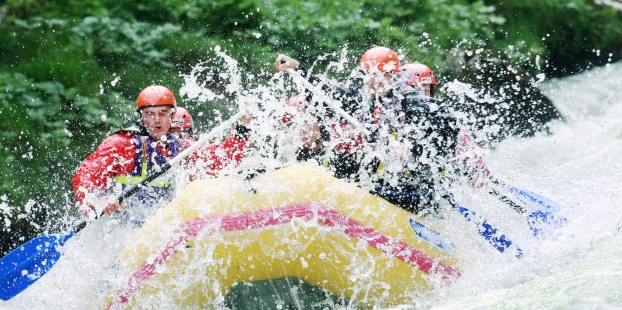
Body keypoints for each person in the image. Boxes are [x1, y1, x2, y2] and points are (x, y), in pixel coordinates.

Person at [274, 47, 461, 215]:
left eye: (379, 74)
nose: (373, 80)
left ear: (392, 75)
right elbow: (330, 97)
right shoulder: (366, 100)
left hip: (419, 188)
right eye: (368, 74)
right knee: (346, 174)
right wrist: (299, 71)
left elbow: (446, 120)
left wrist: (413, 152)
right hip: (390, 180)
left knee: (367, 188)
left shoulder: (410, 101)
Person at [72, 86, 252, 218]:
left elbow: (222, 159)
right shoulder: (122, 144)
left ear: (172, 115)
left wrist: (242, 127)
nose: (156, 120)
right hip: (122, 226)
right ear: (141, 116)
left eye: (163, 113)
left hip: (160, 226)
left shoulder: (181, 146)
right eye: (150, 114)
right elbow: (84, 176)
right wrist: (99, 200)